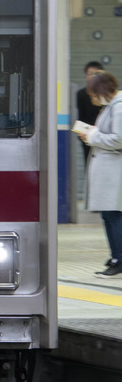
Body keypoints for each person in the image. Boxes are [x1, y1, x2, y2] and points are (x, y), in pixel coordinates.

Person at [76, 70, 122, 277]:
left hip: (114, 171)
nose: (93, 98)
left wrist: (93, 136)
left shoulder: (119, 107)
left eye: (94, 94)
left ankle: (118, 259)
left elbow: (119, 139)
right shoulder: (111, 106)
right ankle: (116, 256)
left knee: (113, 215)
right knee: (110, 215)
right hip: (109, 171)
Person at [77, 61, 105, 163]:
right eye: (90, 73)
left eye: (96, 74)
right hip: (86, 135)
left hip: (103, 136)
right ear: (86, 76)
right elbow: (79, 116)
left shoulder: (105, 95)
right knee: (89, 164)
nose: (93, 77)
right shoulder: (80, 94)